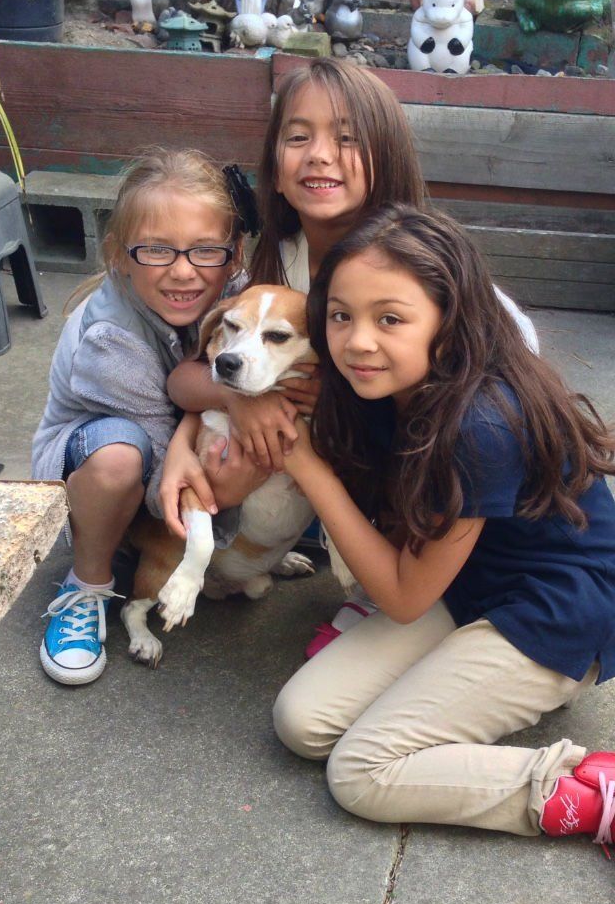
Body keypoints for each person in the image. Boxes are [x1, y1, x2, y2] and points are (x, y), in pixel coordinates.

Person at [165, 57, 539, 657]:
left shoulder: (420, 265)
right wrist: (237, 399)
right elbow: (186, 378)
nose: (319, 154)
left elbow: (517, 350)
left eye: (347, 138)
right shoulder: (266, 268)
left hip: (418, 487)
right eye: (297, 136)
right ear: (276, 171)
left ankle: (389, 583)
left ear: (387, 159)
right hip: (308, 476)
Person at [272, 203, 615, 850]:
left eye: (390, 318)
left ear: (448, 322)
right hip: (471, 583)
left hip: (558, 609)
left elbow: (403, 598)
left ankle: (581, 791)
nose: (358, 341)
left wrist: (306, 466)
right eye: (341, 316)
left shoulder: (479, 425)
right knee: (301, 721)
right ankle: (489, 687)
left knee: (361, 772)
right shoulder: (375, 382)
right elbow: (227, 379)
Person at [31, 148, 262, 686]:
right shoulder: (109, 340)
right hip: (92, 461)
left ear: (234, 254)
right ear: (119, 254)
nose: (183, 271)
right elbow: (168, 469)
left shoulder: (235, 290)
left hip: (167, 443)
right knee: (120, 453)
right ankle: (85, 585)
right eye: (157, 250)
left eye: (205, 250)